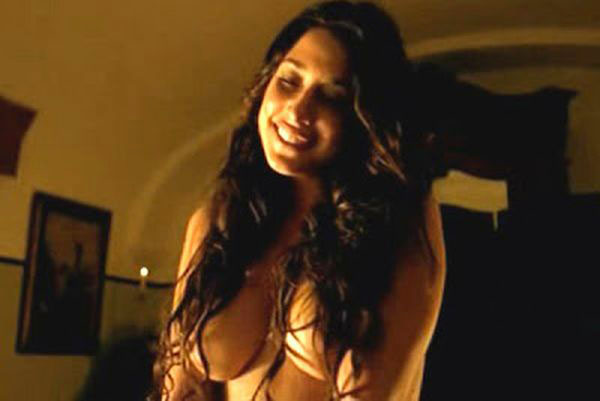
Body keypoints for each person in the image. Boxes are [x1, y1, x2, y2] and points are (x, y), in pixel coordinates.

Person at [150, 1, 446, 400]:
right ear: (264, 88)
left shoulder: (400, 222)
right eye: (289, 81)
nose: (299, 109)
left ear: (365, 118)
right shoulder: (218, 219)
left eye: (333, 96)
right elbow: (179, 384)